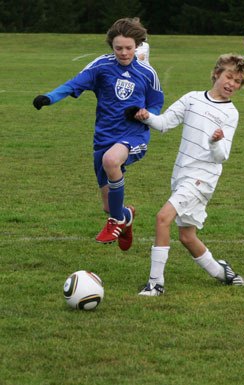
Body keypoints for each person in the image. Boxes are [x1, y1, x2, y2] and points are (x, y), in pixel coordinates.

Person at [33, 18, 164, 251]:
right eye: (118, 48)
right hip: (104, 137)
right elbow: (74, 84)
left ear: (138, 46)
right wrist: (49, 97)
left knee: (111, 160)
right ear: (111, 46)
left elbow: (156, 103)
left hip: (133, 136)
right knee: (109, 204)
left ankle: (116, 221)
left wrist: (147, 114)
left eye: (128, 48)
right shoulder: (101, 66)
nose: (123, 53)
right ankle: (125, 216)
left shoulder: (147, 73)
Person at [127, 54, 244, 296]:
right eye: (229, 76)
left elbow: (222, 156)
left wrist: (215, 142)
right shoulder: (192, 99)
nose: (232, 84)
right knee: (186, 236)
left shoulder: (230, 113)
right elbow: (164, 124)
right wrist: (145, 116)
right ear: (216, 73)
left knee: (163, 218)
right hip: (181, 174)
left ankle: (155, 283)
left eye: (237, 81)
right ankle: (222, 273)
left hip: (203, 178)